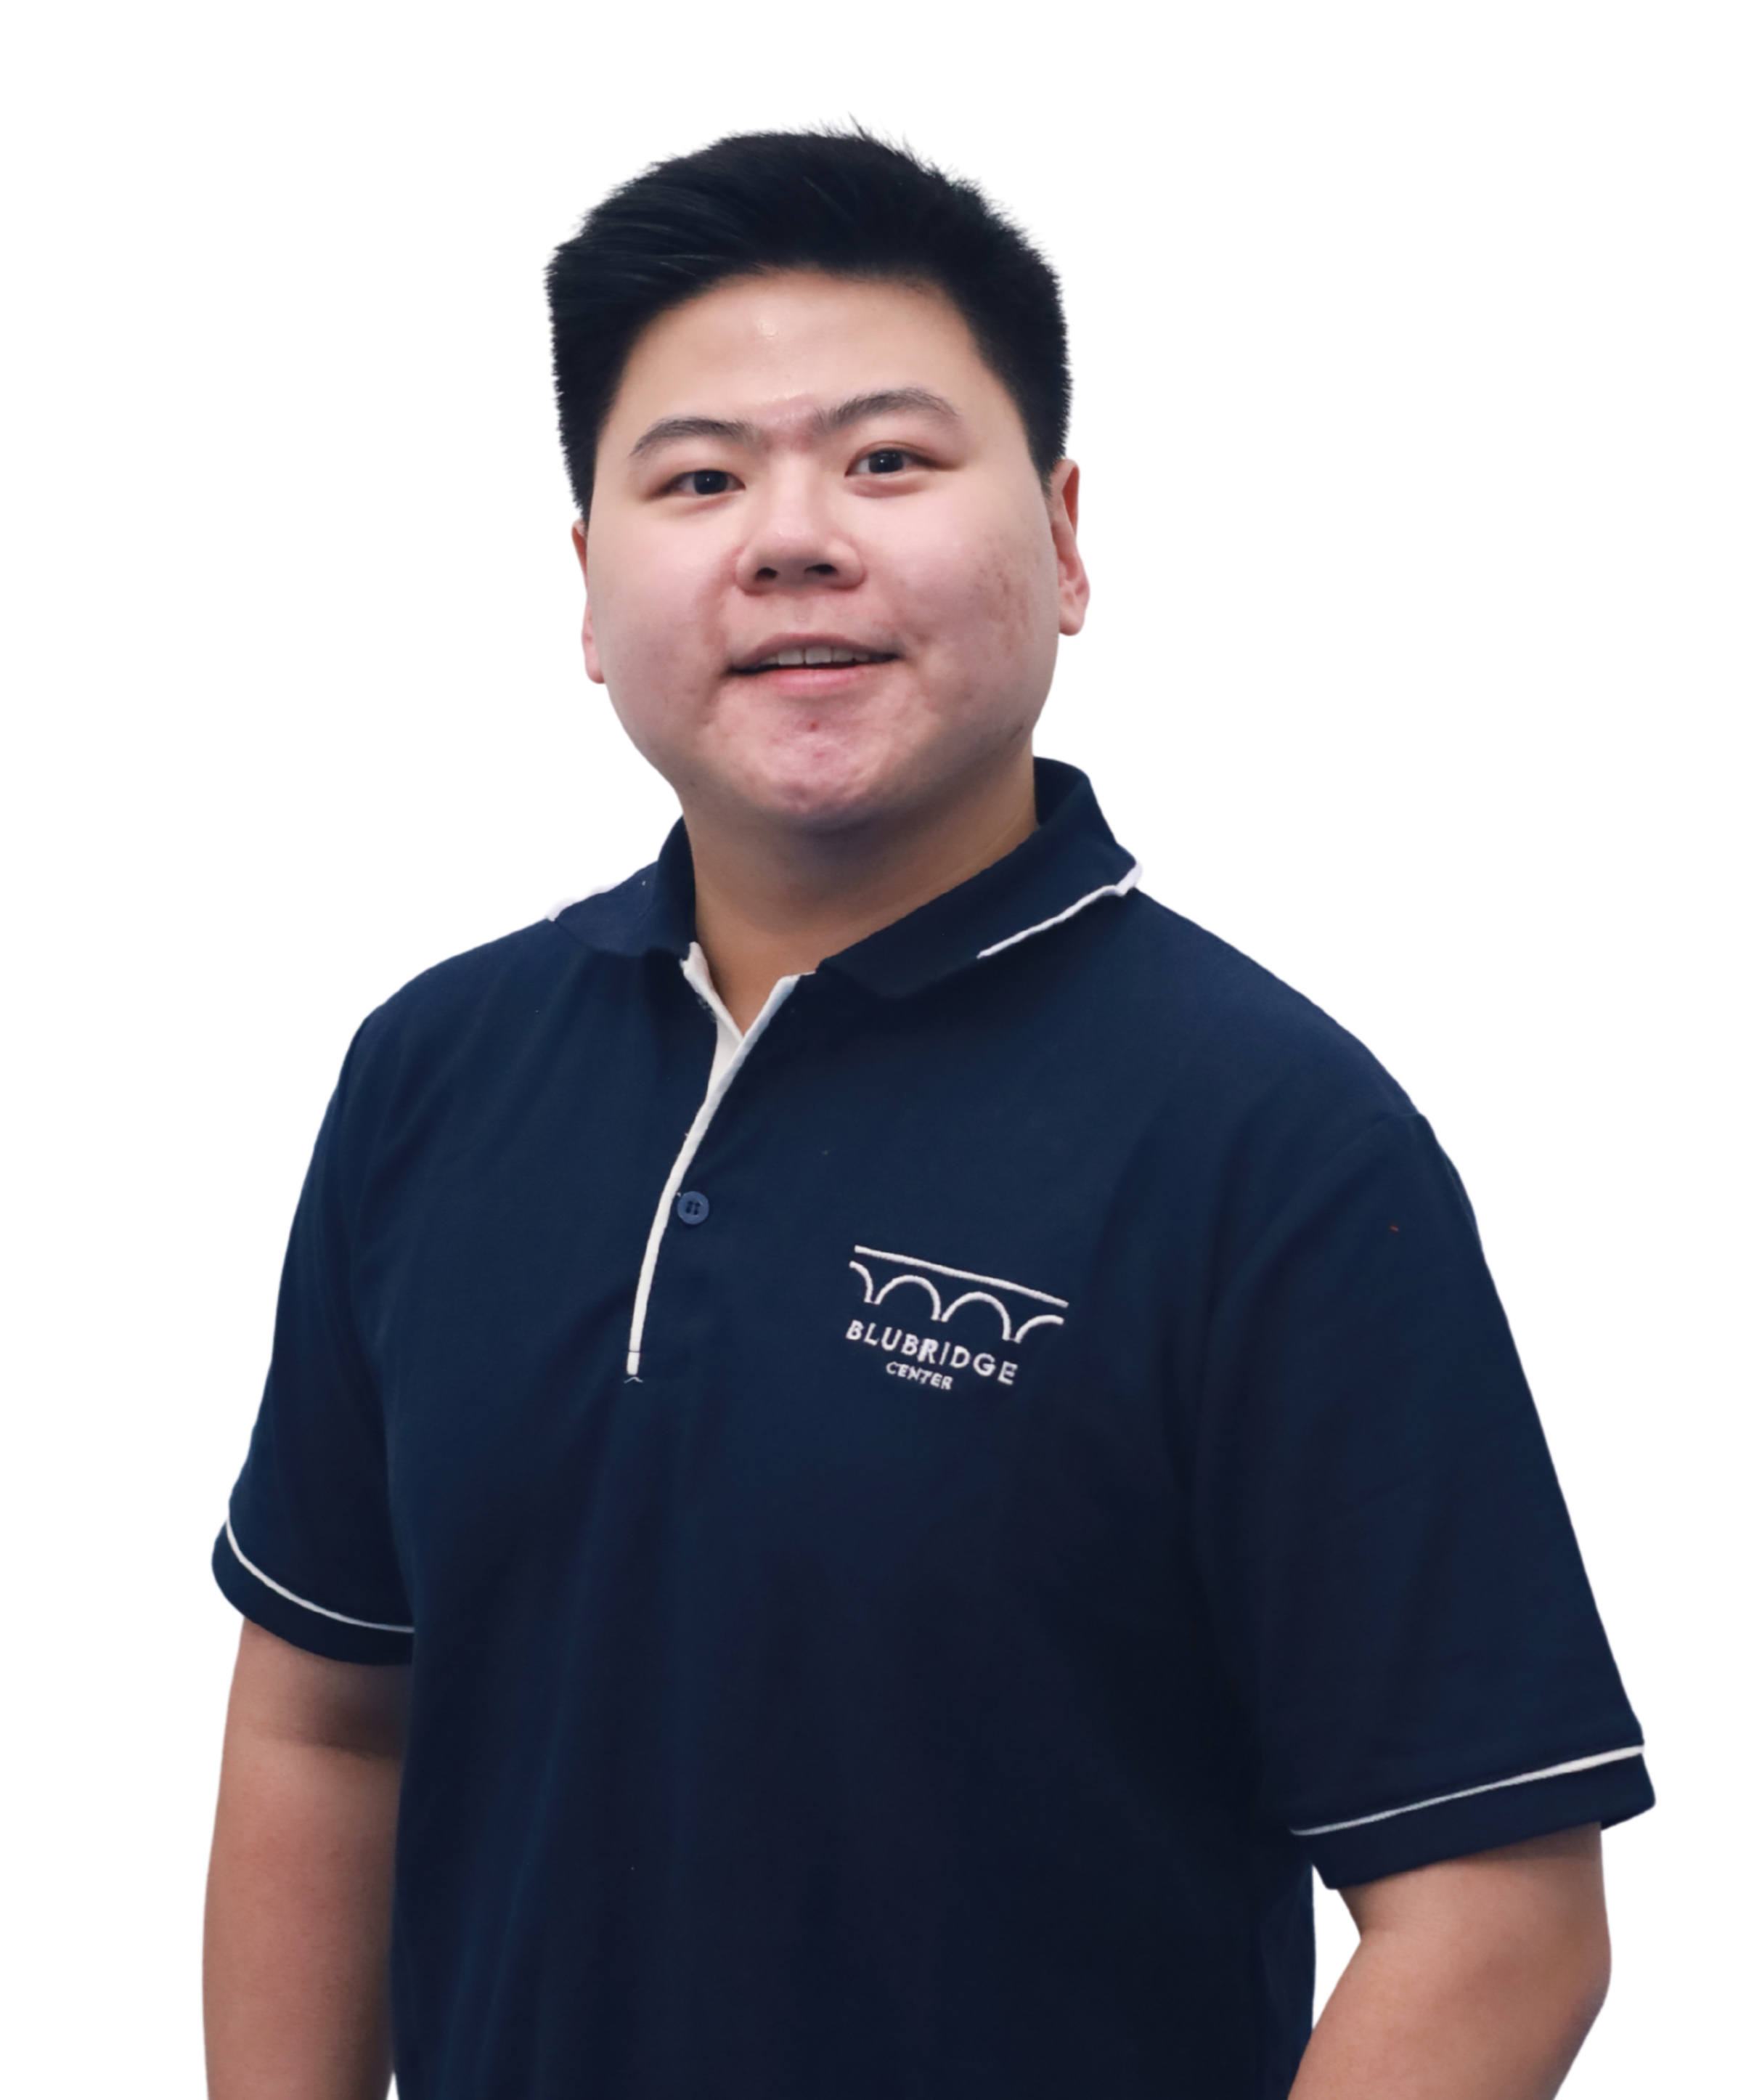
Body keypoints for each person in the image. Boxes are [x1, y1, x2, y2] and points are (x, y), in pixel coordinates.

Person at [203, 131, 1651, 2100]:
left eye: (886, 460)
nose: (791, 539)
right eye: (698, 479)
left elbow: (1495, 1913)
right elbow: (326, 1724)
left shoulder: (1270, 1144)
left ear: (1064, 539)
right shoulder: (432, 1077)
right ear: (587, 586)